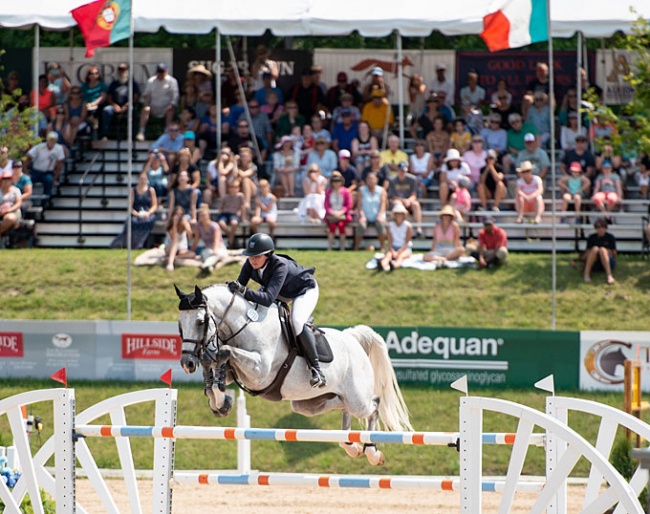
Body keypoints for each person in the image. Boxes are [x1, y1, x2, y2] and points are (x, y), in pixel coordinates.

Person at [227, 232, 326, 388]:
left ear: (267, 255)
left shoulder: (280, 265)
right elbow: (240, 290)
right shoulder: (249, 263)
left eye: (257, 257)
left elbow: (266, 298)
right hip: (279, 291)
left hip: (303, 290)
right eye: (251, 256)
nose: (252, 260)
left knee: (297, 322)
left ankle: (316, 369)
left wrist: (244, 291)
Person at [110, 171, 158, 249]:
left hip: (148, 213)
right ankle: (131, 243)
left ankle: (141, 243)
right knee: (132, 222)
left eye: (144, 178)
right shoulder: (133, 190)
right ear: (138, 179)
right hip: (136, 212)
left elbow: (155, 205)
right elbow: (130, 207)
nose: (143, 180)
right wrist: (137, 214)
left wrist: (148, 213)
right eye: (141, 178)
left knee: (147, 222)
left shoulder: (151, 190)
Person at [137, 63, 179, 141]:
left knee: (170, 110)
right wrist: (145, 98)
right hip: (153, 107)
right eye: (159, 72)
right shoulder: (151, 81)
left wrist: (172, 104)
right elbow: (146, 95)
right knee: (145, 109)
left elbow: (175, 96)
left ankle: (166, 133)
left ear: (166, 71)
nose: (161, 74)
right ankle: (141, 132)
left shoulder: (172, 81)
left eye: (162, 72)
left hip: (166, 107)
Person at [101, 63, 140, 140]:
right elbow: (109, 97)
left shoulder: (132, 84)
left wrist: (127, 105)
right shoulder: (114, 83)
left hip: (128, 106)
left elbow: (135, 97)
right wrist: (114, 105)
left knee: (132, 110)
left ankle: (133, 135)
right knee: (106, 110)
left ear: (127, 71)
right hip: (115, 106)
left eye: (124, 69)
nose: (122, 71)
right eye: (120, 69)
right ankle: (105, 135)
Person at [26, 131, 65, 204]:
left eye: (53, 140)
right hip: (35, 171)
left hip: (48, 172)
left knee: (49, 181)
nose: (51, 142)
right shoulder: (39, 147)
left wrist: (55, 178)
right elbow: (28, 156)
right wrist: (25, 172)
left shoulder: (59, 149)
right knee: (26, 181)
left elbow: (59, 164)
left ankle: (46, 202)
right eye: (50, 140)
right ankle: (26, 199)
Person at [388, 161, 423, 238]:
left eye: (404, 171)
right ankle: (397, 228)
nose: (402, 172)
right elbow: (392, 196)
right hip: (398, 200)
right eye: (401, 170)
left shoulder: (412, 179)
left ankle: (418, 228)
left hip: (408, 201)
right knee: (397, 204)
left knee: (416, 204)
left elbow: (414, 195)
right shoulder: (392, 180)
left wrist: (408, 200)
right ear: (397, 170)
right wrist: (403, 200)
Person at [354, 171, 387, 251]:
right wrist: (362, 216)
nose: (370, 181)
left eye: (372, 179)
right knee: (361, 225)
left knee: (380, 224)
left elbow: (383, 204)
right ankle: (356, 247)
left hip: (377, 214)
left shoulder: (381, 190)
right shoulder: (361, 190)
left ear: (376, 180)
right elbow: (359, 205)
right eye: (369, 179)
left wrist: (380, 215)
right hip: (365, 214)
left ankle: (382, 247)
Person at [192, 203, 227, 272]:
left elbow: (216, 239)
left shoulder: (214, 226)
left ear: (208, 216)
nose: (203, 217)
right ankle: (209, 266)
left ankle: (206, 265)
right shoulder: (198, 226)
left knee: (217, 255)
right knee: (208, 255)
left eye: (205, 215)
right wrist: (192, 250)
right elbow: (196, 239)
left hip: (218, 247)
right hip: (208, 248)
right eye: (201, 215)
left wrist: (214, 250)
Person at [324, 171, 353, 251]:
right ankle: (330, 246)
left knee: (341, 225)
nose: (336, 183)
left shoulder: (346, 191)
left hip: (343, 215)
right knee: (332, 226)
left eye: (338, 181)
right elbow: (326, 205)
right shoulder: (328, 192)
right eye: (334, 181)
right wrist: (332, 212)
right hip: (332, 214)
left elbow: (349, 205)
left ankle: (342, 247)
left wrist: (341, 212)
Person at [379, 203, 412, 271]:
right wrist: (392, 250)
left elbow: (407, 242)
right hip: (393, 247)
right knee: (388, 256)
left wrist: (399, 251)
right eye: (397, 213)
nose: (399, 215)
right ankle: (382, 265)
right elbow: (389, 241)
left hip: (405, 248)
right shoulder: (390, 225)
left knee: (401, 257)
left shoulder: (408, 226)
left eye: (401, 213)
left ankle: (394, 266)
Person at [583, 218, 616, 284]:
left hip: (608, 261)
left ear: (605, 228)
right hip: (595, 262)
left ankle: (609, 275)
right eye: (598, 227)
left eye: (603, 227)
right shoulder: (591, 237)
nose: (600, 229)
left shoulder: (610, 237)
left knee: (602, 250)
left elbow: (614, 254)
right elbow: (587, 253)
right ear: (596, 228)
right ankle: (586, 274)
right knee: (595, 249)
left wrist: (606, 251)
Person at [164, 205, 195, 271]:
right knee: (175, 243)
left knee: (192, 254)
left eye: (180, 214)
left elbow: (190, 237)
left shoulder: (184, 224)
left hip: (181, 250)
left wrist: (187, 226)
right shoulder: (170, 226)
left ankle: (174, 257)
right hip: (170, 247)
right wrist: (174, 224)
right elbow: (174, 239)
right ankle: (170, 264)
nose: (179, 216)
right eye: (177, 214)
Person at [217, 180, 247, 248]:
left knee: (234, 223)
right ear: (228, 188)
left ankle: (230, 241)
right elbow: (221, 207)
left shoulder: (240, 196)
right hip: (225, 213)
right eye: (232, 187)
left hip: (234, 214)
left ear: (239, 188)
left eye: (236, 187)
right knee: (221, 223)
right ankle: (232, 237)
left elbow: (243, 208)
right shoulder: (225, 196)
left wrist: (243, 218)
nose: (233, 189)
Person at [0, 169, 22, 237]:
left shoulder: (16, 190)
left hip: (13, 211)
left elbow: (18, 203)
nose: (6, 180)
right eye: (4, 179)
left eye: (8, 179)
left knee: (10, 218)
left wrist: (8, 210)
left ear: (11, 180)